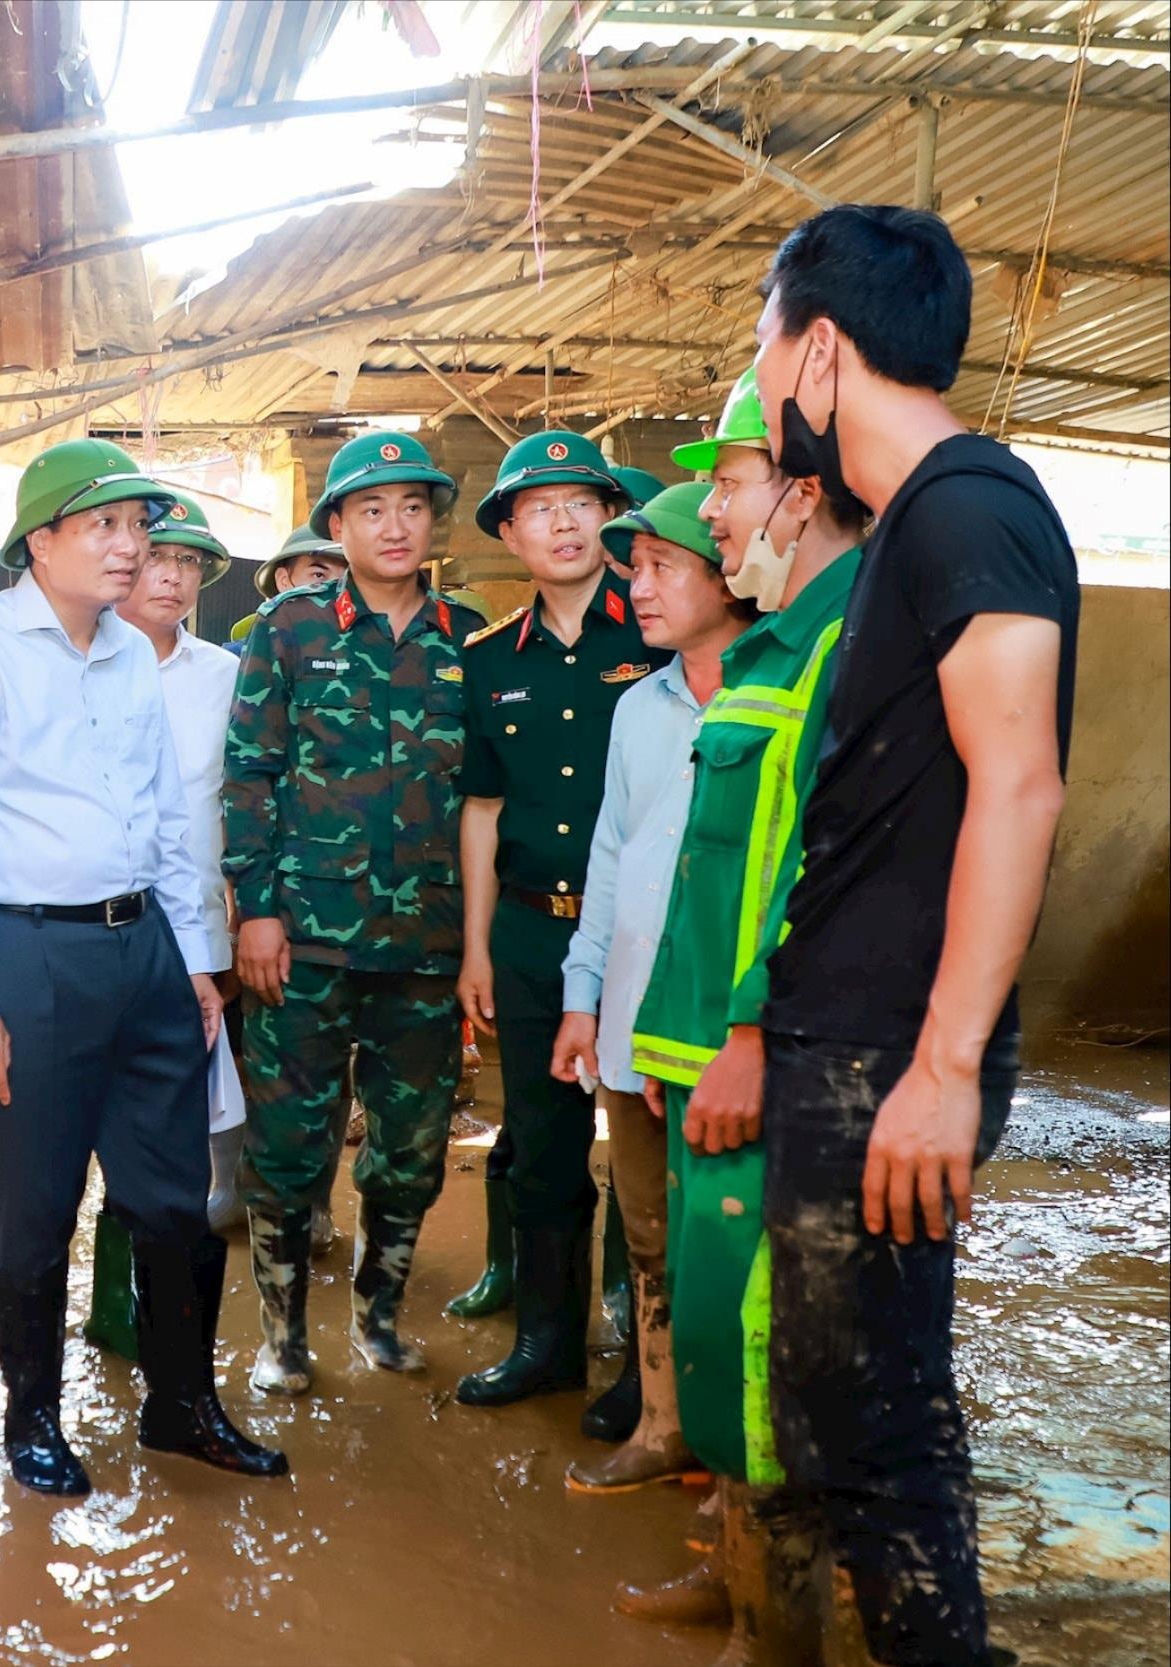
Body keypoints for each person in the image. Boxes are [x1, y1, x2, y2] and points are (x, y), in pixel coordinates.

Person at [750, 205, 1076, 1667]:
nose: (760, 386)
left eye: (764, 347)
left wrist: (943, 1064)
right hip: (852, 1040)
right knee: (848, 1408)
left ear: (821, 350)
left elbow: (1021, 779)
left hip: (891, 1052)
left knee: (879, 1431)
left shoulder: (969, 505)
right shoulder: (910, 527)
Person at [0, 437, 284, 1496]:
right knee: (34, 1206)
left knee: (175, 1201)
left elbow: (166, 818)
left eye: (139, 527)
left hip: (147, 955)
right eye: (106, 527)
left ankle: (181, 1403)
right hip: (28, 952)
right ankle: (33, 1418)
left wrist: (197, 965)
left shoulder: (130, 652)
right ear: (41, 540)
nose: (132, 549)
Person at [613, 364, 872, 1641]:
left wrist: (750, 1033)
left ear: (802, 487)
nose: (708, 513)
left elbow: (820, 867)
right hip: (698, 1051)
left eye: (724, 483)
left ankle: (776, 1631)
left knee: (769, 1363)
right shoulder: (779, 638)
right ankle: (730, 1566)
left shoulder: (843, 641)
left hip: (754, 1061)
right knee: (720, 1338)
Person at [223, 431, 480, 1389]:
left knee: (410, 1155)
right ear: (338, 525)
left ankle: (379, 1320)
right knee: (289, 1152)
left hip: (427, 946)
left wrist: (476, 944)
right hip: (303, 945)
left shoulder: (469, 638)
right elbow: (249, 775)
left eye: (413, 507)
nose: (395, 525)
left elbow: (485, 800)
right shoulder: (288, 632)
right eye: (372, 509)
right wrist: (255, 910)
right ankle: (282, 1337)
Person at [453, 429, 664, 1432]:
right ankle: (543, 1341)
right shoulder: (489, 659)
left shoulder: (661, 633)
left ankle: (647, 1368)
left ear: (612, 519)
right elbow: (483, 811)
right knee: (538, 1145)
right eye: (539, 507)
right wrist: (476, 949)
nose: (565, 520)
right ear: (509, 533)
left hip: (642, 942)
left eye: (583, 501)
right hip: (535, 938)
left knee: (645, 1147)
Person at [549, 484, 748, 1502]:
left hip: (726, 1033)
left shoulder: (779, 693)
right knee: (649, 1239)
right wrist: (584, 994)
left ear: (730, 573)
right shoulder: (638, 706)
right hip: (632, 1019)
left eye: (662, 565)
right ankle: (666, 1424)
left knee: (732, 1243)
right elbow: (611, 854)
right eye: (634, 569)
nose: (638, 586)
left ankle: (738, 1457)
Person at [82, 490, 243, 1364]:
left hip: (198, 936)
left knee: (178, 1138)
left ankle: (165, 1325)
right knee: (100, 1128)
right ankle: (110, 1307)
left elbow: (242, 799)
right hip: (100, 931)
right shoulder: (81, 664)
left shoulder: (224, 676)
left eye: (189, 565)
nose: (173, 577)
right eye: (159, 558)